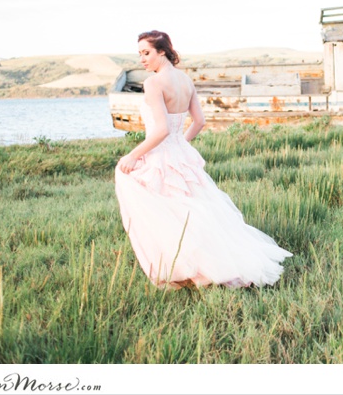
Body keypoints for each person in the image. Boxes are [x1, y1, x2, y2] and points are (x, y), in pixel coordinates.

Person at [114, 30, 292, 289]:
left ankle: (188, 269)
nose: (142, 59)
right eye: (139, 54)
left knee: (149, 196)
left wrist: (132, 154)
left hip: (162, 154)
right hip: (178, 154)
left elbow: (161, 129)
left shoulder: (153, 83)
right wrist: (179, 147)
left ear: (162, 51)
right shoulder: (185, 80)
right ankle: (201, 265)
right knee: (192, 210)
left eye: (146, 52)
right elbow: (200, 122)